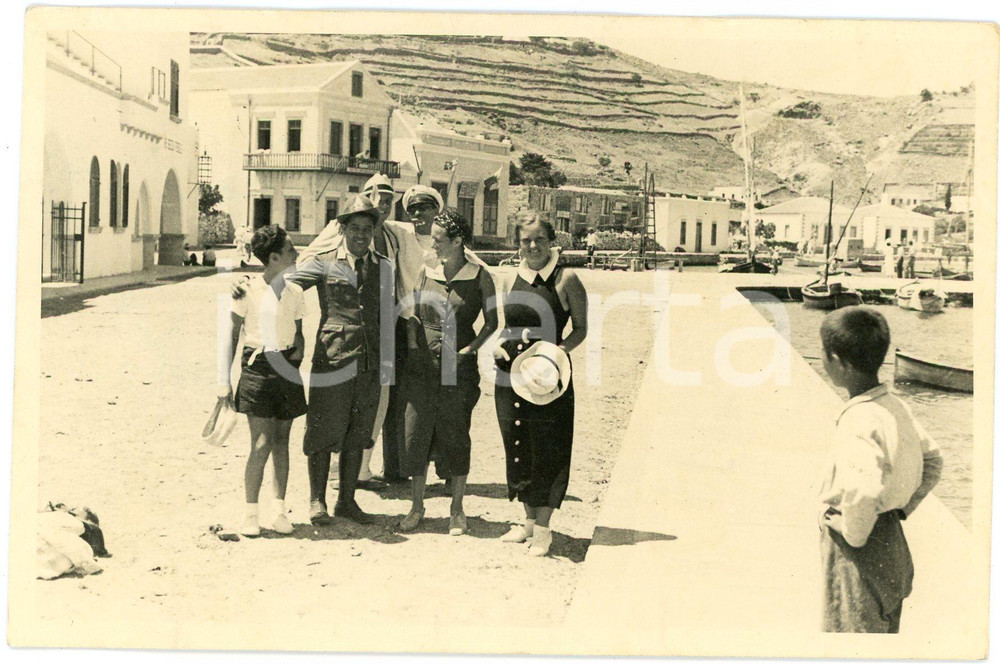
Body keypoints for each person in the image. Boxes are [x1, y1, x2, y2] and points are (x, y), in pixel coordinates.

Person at [817, 307, 943, 633]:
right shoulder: (893, 404)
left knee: (852, 641)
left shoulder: (857, 420)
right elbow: (933, 461)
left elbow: (863, 489)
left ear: (838, 361)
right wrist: (901, 508)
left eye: (824, 354)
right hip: (892, 542)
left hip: (860, 553)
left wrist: (853, 534)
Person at [285, 195, 392, 526]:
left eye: (368, 229)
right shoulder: (322, 262)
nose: (362, 235)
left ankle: (346, 501)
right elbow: (287, 289)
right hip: (332, 359)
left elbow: (386, 315)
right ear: (342, 228)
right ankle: (317, 500)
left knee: (357, 431)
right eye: (355, 228)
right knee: (322, 428)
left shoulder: (383, 267)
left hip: (370, 362)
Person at [397, 210, 498, 535]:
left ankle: (457, 509)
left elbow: (494, 322)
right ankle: (416, 507)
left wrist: (470, 350)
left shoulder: (480, 276)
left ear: (457, 242)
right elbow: (411, 313)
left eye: (439, 240)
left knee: (456, 434)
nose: (433, 245)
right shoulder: (426, 271)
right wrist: (414, 347)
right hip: (422, 369)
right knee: (416, 434)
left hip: (459, 369)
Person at [493, 213, 588, 557]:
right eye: (525, 240)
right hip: (510, 376)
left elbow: (580, 329)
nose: (533, 247)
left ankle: (544, 530)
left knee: (548, 448)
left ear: (551, 242)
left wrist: (553, 356)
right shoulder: (508, 279)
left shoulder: (566, 279)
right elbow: (508, 327)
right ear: (516, 244)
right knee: (517, 444)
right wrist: (499, 345)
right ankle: (528, 523)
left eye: (539, 240)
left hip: (549, 378)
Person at [224, 224, 307, 537]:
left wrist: (298, 349)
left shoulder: (295, 291)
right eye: (289, 250)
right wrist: (224, 381)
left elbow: (298, 332)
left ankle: (279, 510)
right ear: (274, 258)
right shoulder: (246, 290)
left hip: (286, 368)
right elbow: (231, 336)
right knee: (261, 444)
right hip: (257, 368)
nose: (296, 253)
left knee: (282, 443)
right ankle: (250, 514)